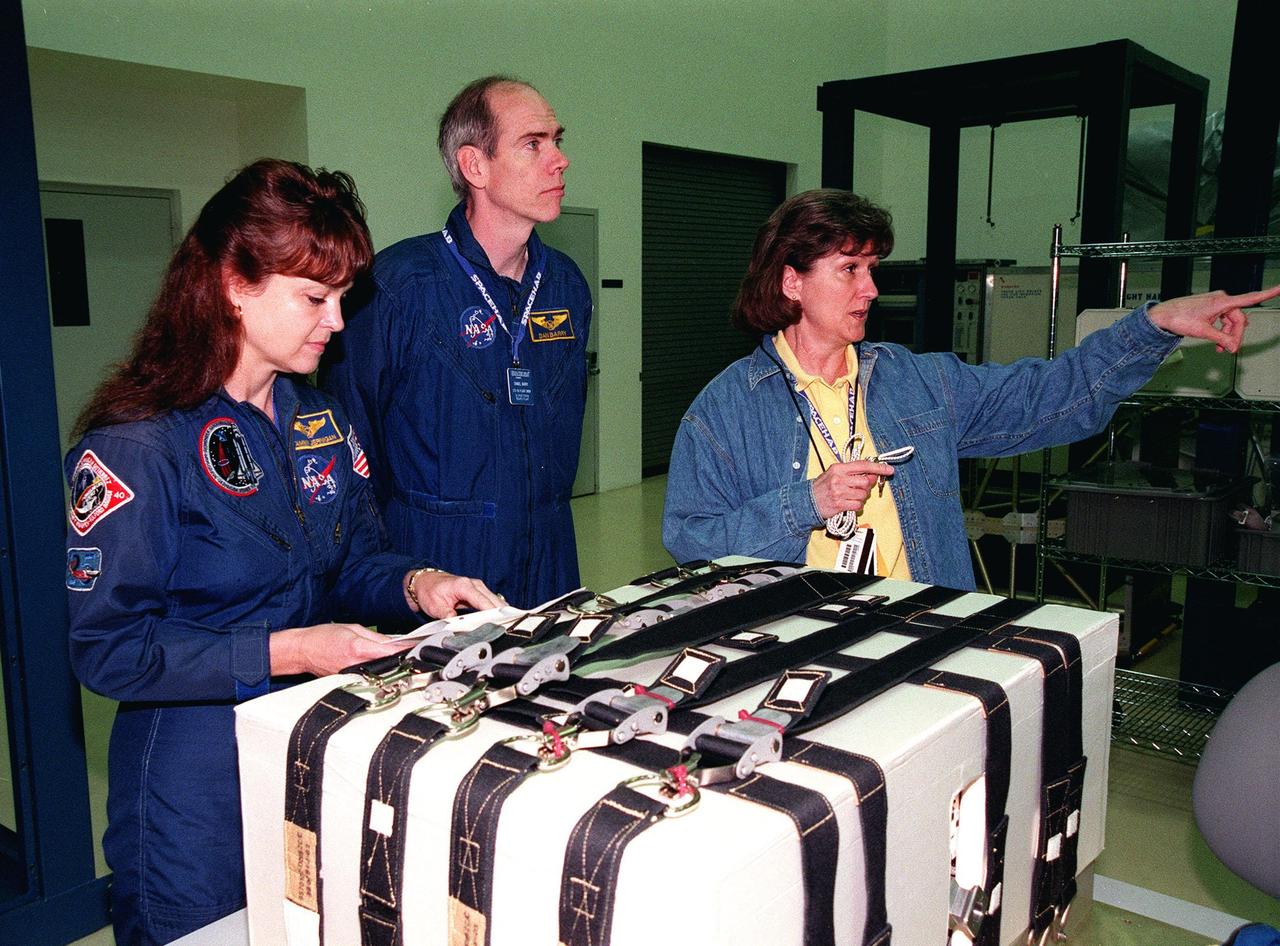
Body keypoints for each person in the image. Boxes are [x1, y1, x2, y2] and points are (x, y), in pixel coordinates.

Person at [64, 159, 502, 946]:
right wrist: (293, 649)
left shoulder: (317, 418)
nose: (336, 322)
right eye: (313, 297)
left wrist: (420, 582)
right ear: (235, 280)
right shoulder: (139, 446)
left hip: (306, 749)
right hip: (193, 787)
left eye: (341, 298)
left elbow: (351, 563)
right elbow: (109, 649)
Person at [663, 189, 1280, 588]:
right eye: (849, 270)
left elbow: (1054, 396)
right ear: (792, 282)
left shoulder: (916, 380)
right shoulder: (724, 411)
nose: (870, 290)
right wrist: (806, 504)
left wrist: (1153, 325)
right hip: (801, 644)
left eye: (872, 270)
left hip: (920, 632)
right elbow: (692, 544)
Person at [322, 75, 592, 610]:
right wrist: (386, 580)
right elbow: (351, 456)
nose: (559, 159)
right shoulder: (395, 289)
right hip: (440, 573)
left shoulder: (566, 286)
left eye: (558, 141)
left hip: (553, 561)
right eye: (533, 144)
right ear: (475, 167)